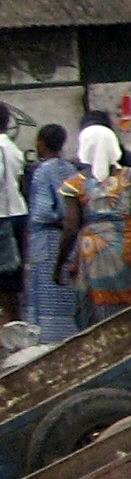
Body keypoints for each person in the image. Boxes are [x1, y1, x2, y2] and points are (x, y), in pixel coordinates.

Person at [56, 124, 131, 327]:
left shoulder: (75, 184)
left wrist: (59, 264)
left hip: (92, 249)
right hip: (128, 244)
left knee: (95, 304)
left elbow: (71, 227)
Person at [23, 124, 77, 345]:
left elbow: (43, 211)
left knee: (45, 295)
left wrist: (58, 220)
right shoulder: (71, 169)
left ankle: (46, 341)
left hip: (46, 240)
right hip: (68, 241)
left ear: (41, 144)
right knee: (66, 292)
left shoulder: (42, 171)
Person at [0, 105, 25, 324]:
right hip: (17, 213)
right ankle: (14, 327)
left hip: (2, 218)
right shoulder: (12, 148)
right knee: (12, 286)